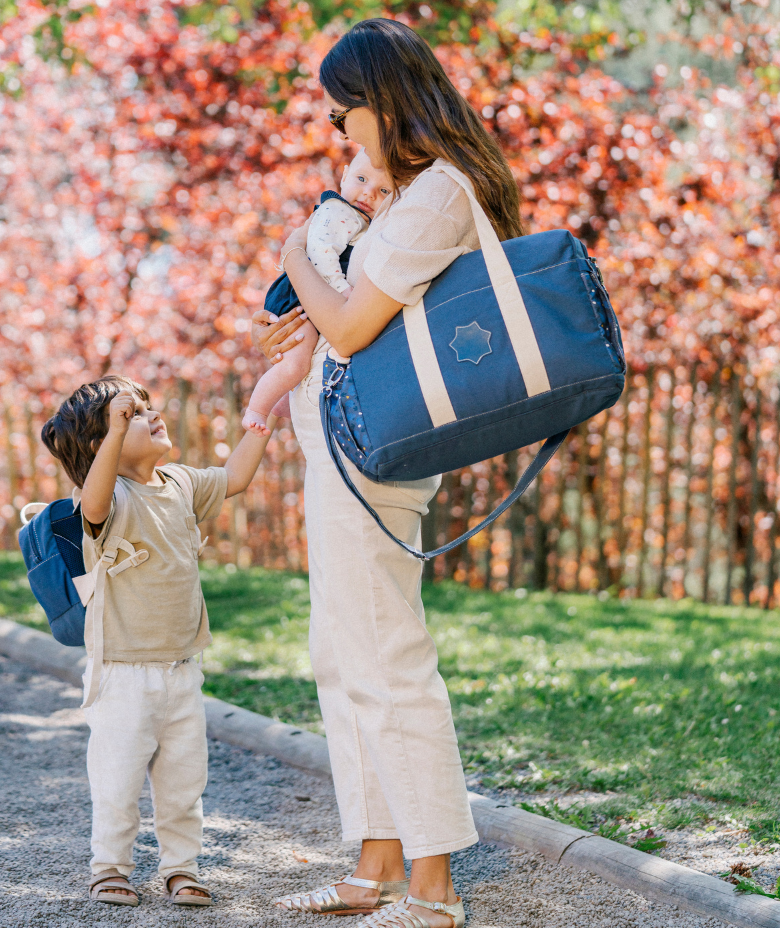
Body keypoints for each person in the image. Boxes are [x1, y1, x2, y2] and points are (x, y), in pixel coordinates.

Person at [251, 19, 526, 928]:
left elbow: (354, 325)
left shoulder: (441, 192)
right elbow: (344, 319)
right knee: (344, 653)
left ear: (385, 100)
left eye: (345, 112)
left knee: (387, 655)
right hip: (340, 443)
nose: (340, 133)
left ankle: (435, 887)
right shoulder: (412, 192)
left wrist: (299, 256)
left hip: (372, 454)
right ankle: (373, 863)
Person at [41, 374, 277, 908]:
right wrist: (115, 432)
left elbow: (235, 476)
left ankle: (181, 867)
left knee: (183, 783)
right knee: (118, 781)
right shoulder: (107, 496)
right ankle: (110, 868)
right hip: (123, 674)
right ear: (105, 445)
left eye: (147, 409)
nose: (150, 416)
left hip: (182, 669)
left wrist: (263, 414)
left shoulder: (180, 483)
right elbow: (96, 505)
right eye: (131, 415)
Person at [242, 148, 392, 435]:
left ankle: (284, 398)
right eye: (361, 179)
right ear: (344, 174)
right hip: (298, 297)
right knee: (295, 363)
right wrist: (343, 292)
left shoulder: (359, 218)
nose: (369, 193)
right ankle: (257, 409)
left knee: (304, 356)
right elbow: (320, 254)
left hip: (310, 291)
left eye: (383, 190)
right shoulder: (339, 212)